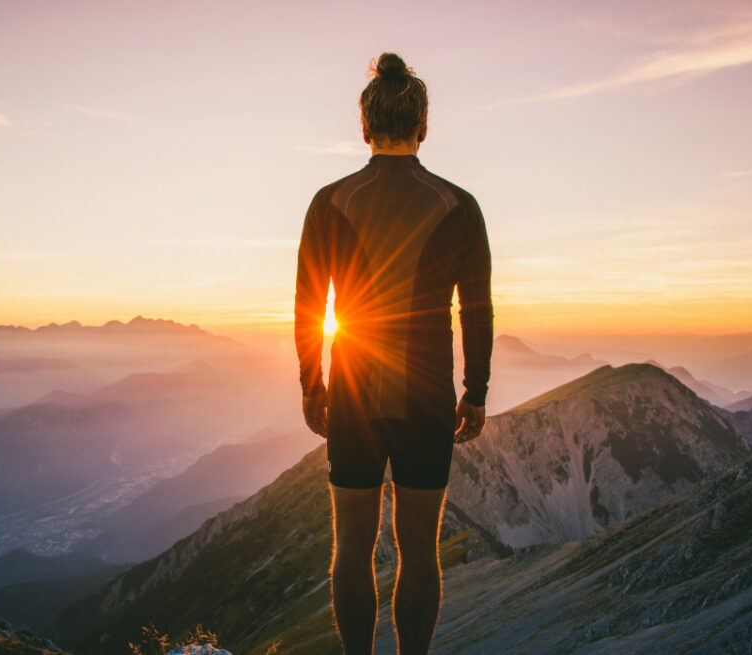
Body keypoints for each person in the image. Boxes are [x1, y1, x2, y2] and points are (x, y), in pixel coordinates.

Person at [294, 52, 493, 655]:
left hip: (353, 388)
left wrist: (312, 384)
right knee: (419, 550)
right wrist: (475, 392)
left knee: (351, 547)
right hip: (427, 392)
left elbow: (309, 301)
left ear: (365, 126)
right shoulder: (459, 205)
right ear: (423, 126)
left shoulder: (330, 201)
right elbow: (476, 310)